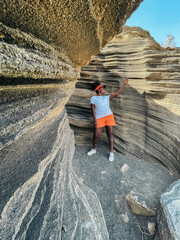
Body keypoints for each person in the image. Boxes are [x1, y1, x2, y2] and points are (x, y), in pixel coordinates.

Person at [87, 76, 128, 162]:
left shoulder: (107, 97)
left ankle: (111, 153)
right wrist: (95, 120)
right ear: (98, 90)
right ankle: (94, 149)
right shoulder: (93, 98)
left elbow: (117, 93)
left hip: (109, 116)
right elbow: (93, 110)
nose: (104, 89)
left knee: (110, 134)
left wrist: (124, 84)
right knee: (96, 135)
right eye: (102, 88)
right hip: (99, 118)